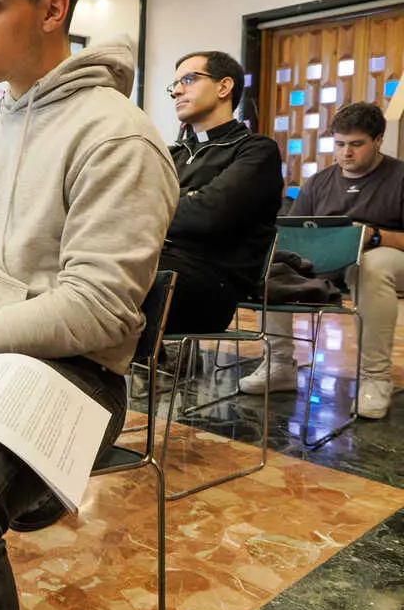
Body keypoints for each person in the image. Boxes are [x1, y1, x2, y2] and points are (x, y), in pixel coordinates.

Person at [240, 102, 404, 420]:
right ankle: (279, 364)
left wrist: (374, 236)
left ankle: (375, 378)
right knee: (276, 262)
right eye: (340, 144)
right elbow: (296, 231)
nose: (346, 153)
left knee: (372, 265)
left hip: (387, 259)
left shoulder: (399, 178)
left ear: (379, 140)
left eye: (357, 144)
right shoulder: (319, 182)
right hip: (330, 259)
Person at [161, 51, 282, 333]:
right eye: (175, 84)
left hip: (211, 285)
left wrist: (158, 207)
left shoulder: (256, 151)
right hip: (158, 264)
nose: (177, 91)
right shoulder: (171, 155)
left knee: (115, 282)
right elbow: (129, 206)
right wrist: (187, 200)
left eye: (189, 80)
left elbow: (208, 215)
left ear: (224, 87)